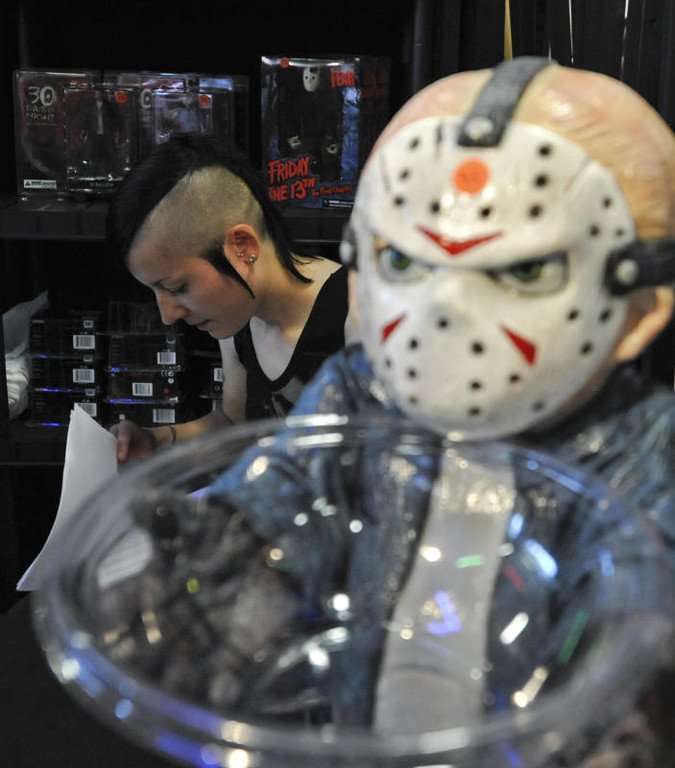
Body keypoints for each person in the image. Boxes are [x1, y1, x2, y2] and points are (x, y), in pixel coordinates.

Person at [78, 58, 675, 765]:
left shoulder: (644, 445)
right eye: (402, 262)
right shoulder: (362, 388)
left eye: (522, 270)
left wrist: (625, 698)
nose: (442, 309)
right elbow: (282, 494)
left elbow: (636, 596)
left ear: (641, 307)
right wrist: (215, 581)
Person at [105, 132, 359, 463]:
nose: (167, 315)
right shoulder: (239, 316)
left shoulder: (358, 316)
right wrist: (155, 441)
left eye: (177, 287)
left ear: (242, 247)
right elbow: (236, 426)